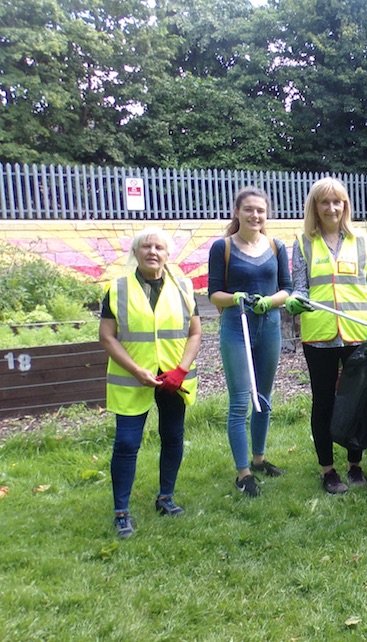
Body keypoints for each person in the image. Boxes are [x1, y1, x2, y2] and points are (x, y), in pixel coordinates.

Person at [100, 227, 201, 539]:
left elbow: (195, 332)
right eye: (146, 247)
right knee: (127, 443)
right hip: (133, 378)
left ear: (167, 254)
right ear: (136, 252)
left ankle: (165, 498)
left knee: (172, 436)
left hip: (173, 379)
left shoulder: (184, 287)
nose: (152, 252)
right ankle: (121, 512)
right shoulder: (116, 289)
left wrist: (181, 371)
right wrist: (135, 371)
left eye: (159, 247)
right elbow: (107, 336)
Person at [285, 178, 367, 494]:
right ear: (315, 207)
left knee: (357, 401)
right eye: (324, 202)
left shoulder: (361, 241)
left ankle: (355, 464)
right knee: (324, 402)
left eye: (337, 202)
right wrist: (294, 300)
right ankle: (328, 471)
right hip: (320, 336)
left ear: (345, 205)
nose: (331, 208)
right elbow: (301, 288)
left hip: (356, 332)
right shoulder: (303, 243)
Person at [208, 186, 292, 497]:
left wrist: (270, 302)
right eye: (249, 210)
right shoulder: (223, 247)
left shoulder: (276, 246)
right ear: (237, 212)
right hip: (235, 327)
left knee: (263, 397)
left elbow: (287, 287)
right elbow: (213, 293)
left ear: (266, 214)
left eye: (260, 210)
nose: (255, 215)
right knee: (241, 400)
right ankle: (243, 473)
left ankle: (259, 459)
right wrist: (235, 298)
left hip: (269, 326)